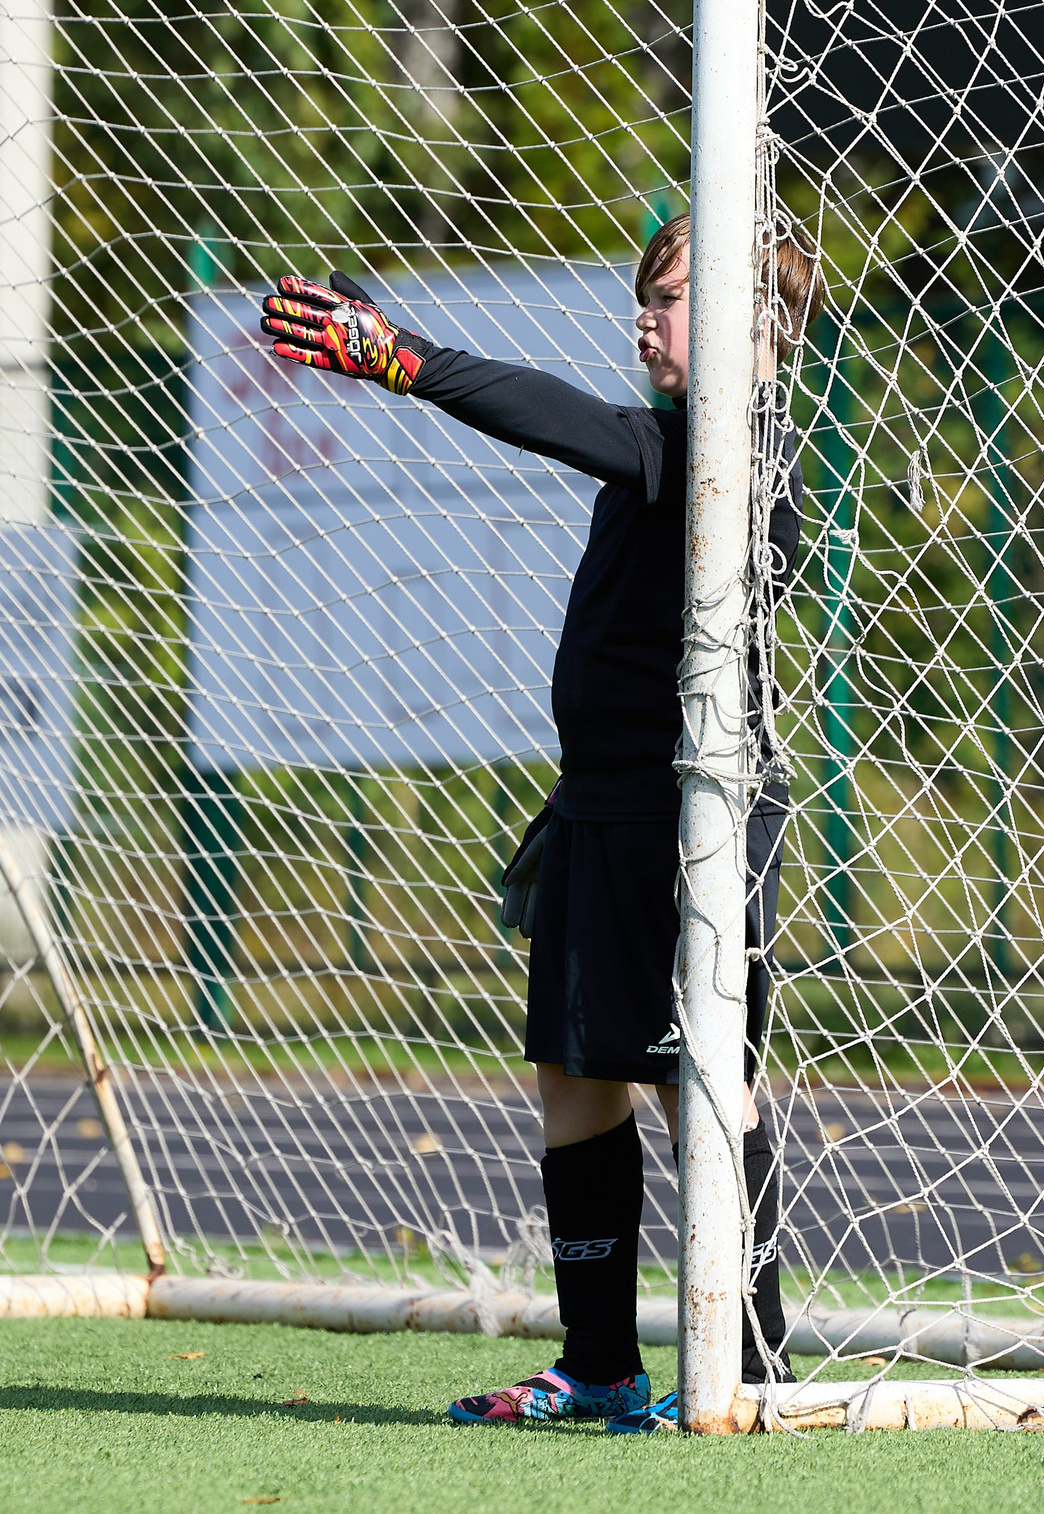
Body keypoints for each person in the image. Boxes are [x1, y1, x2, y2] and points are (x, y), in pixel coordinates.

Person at [256, 216, 817, 1432]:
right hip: (597, 805)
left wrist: (405, 359)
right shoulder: (668, 443)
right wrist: (370, 328)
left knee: (706, 1084)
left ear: (759, 321)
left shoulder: (740, 446)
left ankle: (753, 1364)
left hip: (697, 821)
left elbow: (557, 415)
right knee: (572, 1075)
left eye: (669, 298)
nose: (643, 319)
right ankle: (599, 1363)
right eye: (646, 297)